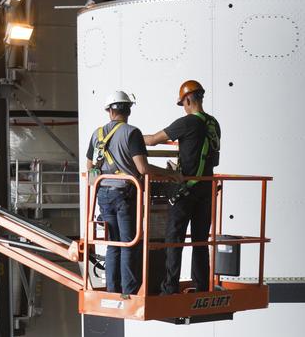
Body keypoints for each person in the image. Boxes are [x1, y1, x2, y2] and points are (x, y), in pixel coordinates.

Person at [86, 91, 175, 297]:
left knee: (113, 244)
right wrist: (170, 174)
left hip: (103, 195)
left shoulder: (97, 134)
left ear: (110, 111)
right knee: (129, 243)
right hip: (124, 195)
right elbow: (143, 168)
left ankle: (112, 290)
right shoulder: (132, 133)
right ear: (128, 110)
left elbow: (90, 167)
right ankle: (128, 292)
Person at [143, 80, 221, 295]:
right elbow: (214, 160)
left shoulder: (187, 123)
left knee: (174, 238)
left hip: (187, 190)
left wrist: (129, 139)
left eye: (183, 103)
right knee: (200, 240)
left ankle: (170, 287)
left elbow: (152, 140)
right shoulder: (214, 124)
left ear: (187, 100)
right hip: (207, 188)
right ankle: (202, 286)